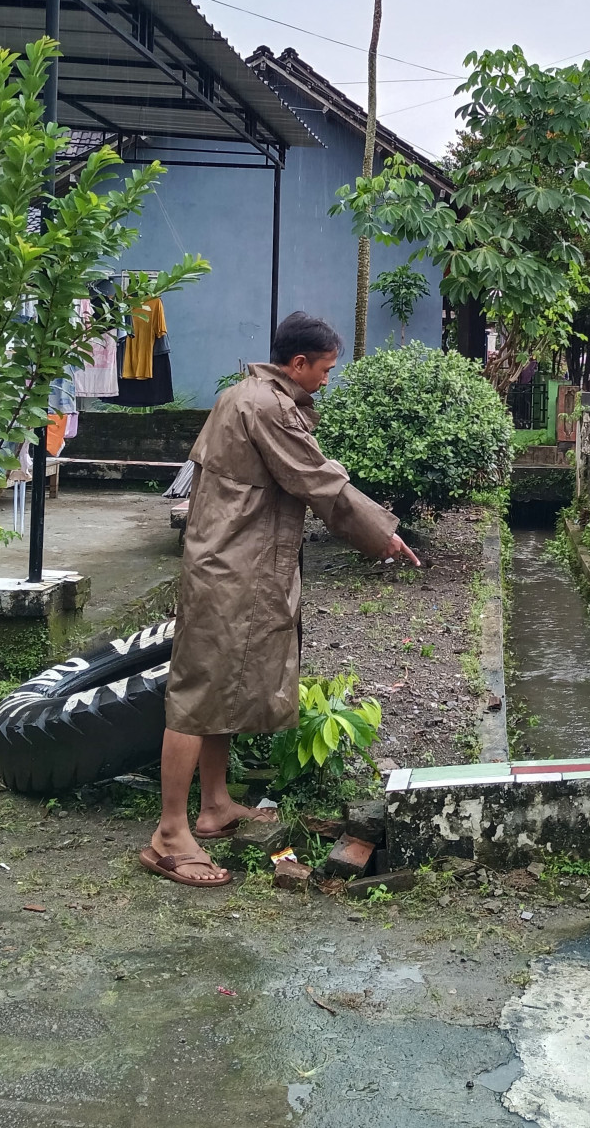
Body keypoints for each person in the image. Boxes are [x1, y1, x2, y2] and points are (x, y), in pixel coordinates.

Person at [141, 311, 419, 888]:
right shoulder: (267, 406)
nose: (326, 380)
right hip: (230, 566)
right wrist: (382, 536)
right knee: (197, 694)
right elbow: (319, 481)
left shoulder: (242, 395)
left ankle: (214, 805)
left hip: (238, 561)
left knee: (224, 687)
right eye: (325, 369)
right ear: (297, 363)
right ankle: (170, 833)